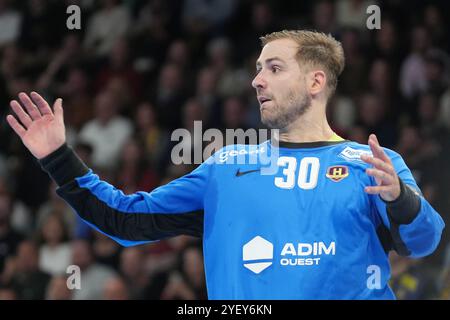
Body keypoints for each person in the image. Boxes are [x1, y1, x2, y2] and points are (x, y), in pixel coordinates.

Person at [5, 30, 445, 299]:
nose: (257, 80)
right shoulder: (227, 166)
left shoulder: (369, 163)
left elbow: (423, 242)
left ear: (315, 81)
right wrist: (57, 158)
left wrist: (399, 198)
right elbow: (125, 218)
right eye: (257, 69)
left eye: (274, 68)